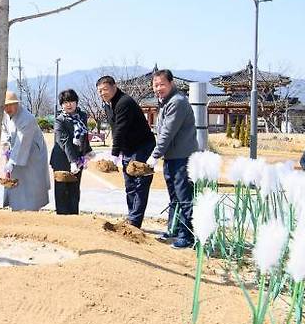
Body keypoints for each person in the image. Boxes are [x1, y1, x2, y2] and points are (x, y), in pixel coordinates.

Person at [146, 69, 198, 249]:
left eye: (162, 84)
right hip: (171, 157)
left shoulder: (177, 102)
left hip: (182, 157)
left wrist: (154, 155)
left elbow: (167, 133)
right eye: (155, 85)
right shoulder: (165, 102)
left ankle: (187, 235)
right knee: (174, 196)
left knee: (184, 197)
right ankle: (174, 229)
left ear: (171, 83)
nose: (158, 88)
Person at [97, 76, 156, 228]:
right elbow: (115, 129)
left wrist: (114, 153)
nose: (102, 93)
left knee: (139, 183)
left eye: (105, 89)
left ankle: (134, 222)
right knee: (129, 184)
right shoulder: (107, 104)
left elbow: (121, 129)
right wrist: (119, 151)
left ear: (114, 86)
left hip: (142, 146)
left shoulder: (124, 102)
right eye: (100, 91)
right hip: (128, 148)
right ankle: (132, 218)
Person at [2, 91, 50, 211]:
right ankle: (16, 206)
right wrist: (6, 147)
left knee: (31, 184)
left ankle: (30, 210)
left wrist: (12, 161)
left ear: (17, 104)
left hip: (33, 154)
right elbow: (5, 131)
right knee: (16, 181)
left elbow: (22, 142)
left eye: (10, 105)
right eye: (5, 106)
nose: (7, 108)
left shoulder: (27, 118)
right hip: (16, 152)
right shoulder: (5, 115)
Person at [49, 89, 94, 215]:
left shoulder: (82, 116)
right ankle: (63, 218)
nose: (69, 104)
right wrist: (73, 161)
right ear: (61, 104)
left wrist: (86, 153)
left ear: (76, 102)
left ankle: (74, 216)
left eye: (71, 101)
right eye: (65, 102)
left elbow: (84, 136)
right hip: (61, 159)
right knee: (62, 190)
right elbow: (65, 142)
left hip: (78, 159)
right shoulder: (60, 120)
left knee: (74, 189)